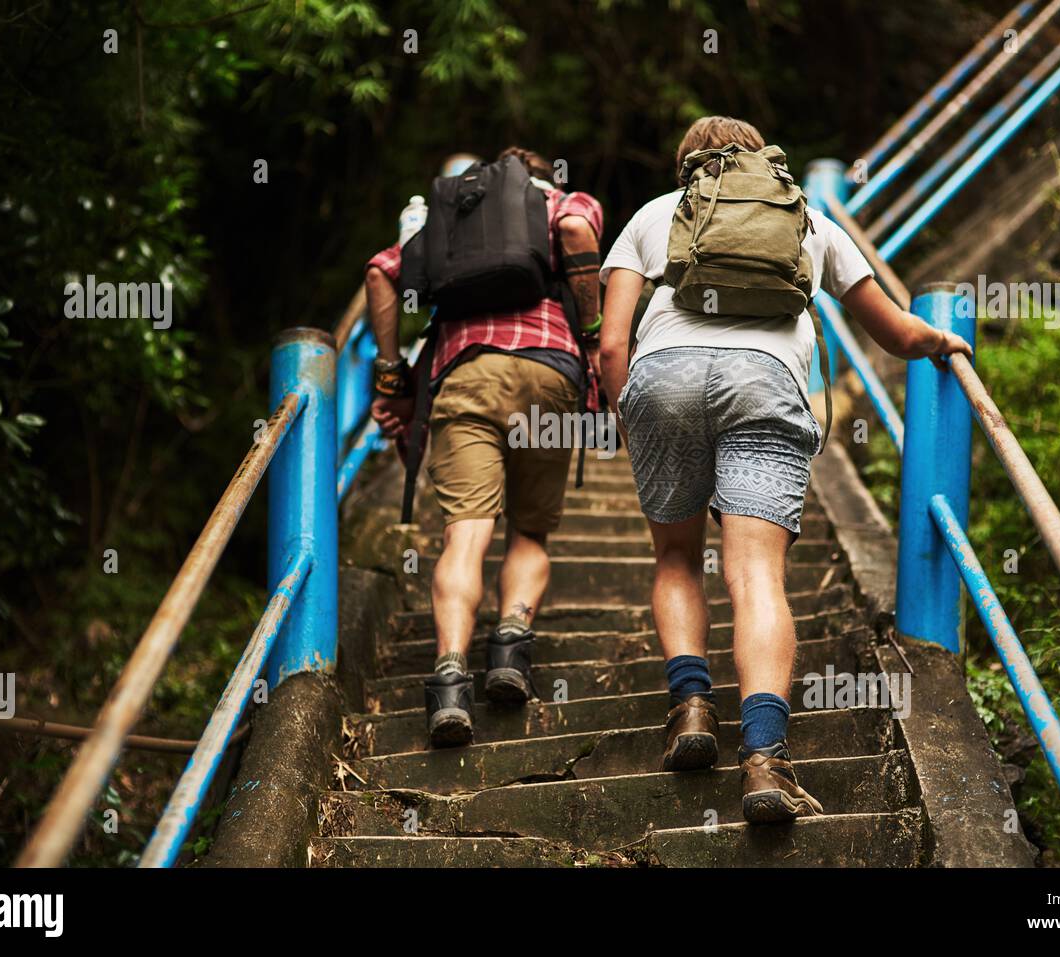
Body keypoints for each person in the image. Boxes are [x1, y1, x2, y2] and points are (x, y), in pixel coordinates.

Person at [598, 116, 972, 823]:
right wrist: (942, 337)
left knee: (677, 556)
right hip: (766, 381)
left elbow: (611, 343)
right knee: (757, 574)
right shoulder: (808, 217)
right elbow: (894, 332)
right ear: (762, 159)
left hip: (663, 378)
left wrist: (632, 421)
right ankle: (766, 762)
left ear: (688, 165)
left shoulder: (654, 214)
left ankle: (691, 711)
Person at [364, 146, 604, 748]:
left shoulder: (454, 218)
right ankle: (508, 650)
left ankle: (449, 675)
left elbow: (379, 274)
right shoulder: (561, 200)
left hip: (463, 373)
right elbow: (576, 230)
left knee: (465, 531)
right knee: (529, 533)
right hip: (551, 374)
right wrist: (595, 335)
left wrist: (393, 376)